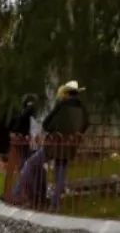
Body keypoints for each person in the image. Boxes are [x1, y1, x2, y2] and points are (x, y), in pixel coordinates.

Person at [41, 81, 90, 211]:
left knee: (35, 163)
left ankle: (50, 201)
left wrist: (55, 129)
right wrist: (76, 134)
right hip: (70, 143)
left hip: (57, 142)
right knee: (61, 169)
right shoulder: (82, 108)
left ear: (67, 93)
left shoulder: (61, 105)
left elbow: (46, 124)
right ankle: (55, 202)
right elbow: (85, 124)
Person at [4, 95, 45, 206]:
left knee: (27, 171)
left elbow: (35, 134)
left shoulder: (27, 118)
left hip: (30, 148)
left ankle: (20, 194)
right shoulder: (28, 118)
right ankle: (25, 195)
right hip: (28, 147)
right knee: (27, 171)